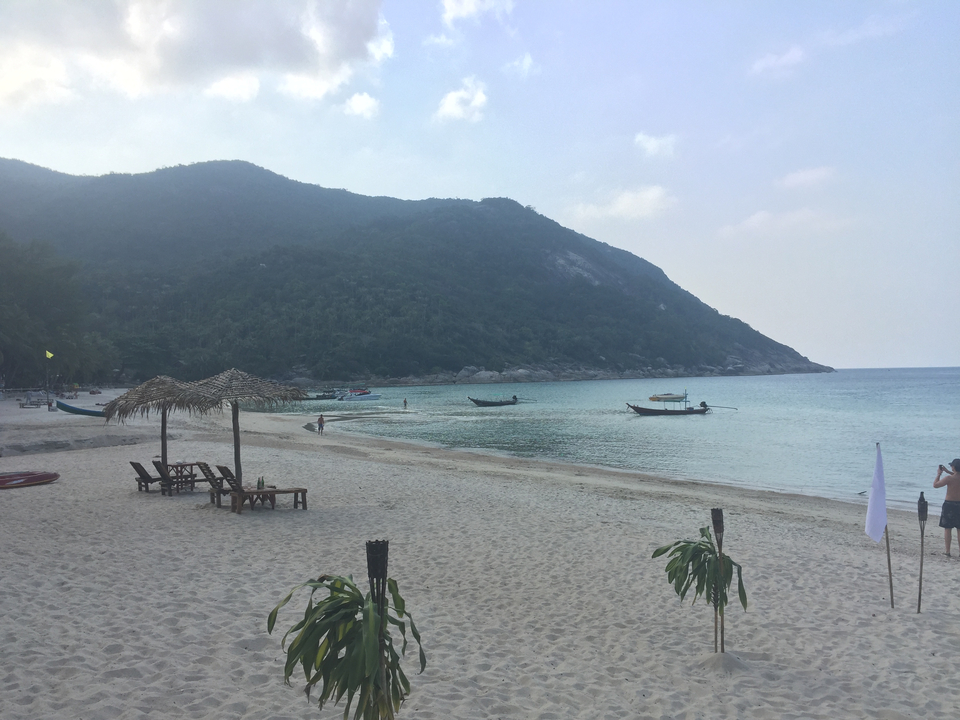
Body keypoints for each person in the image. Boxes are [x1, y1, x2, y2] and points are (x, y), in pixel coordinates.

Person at [933, 459, 960, 555]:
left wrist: (939, 474)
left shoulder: (949, 478)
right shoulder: (951, 476)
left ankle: (947, 551)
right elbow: (956, 475)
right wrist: (947, 471)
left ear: (953, 467)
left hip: (949, 504)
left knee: (948, 528)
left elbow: (935, 485)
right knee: (959, 528)